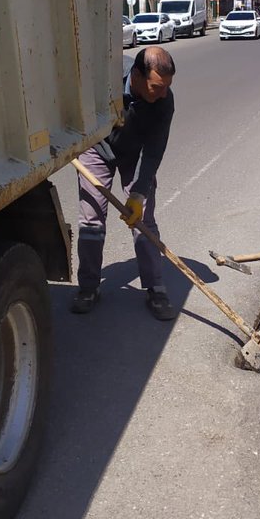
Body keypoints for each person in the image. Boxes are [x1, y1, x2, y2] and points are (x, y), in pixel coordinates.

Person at [72, 45, 177, 320]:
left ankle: (156, 288)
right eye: (157, 86)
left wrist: (139, 193)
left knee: (143, 221)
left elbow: (155, 149)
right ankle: (88, 287)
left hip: (135, 154)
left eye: (167, 86)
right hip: (97, 148)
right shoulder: (104, 80)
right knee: (91, 220)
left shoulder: (164, 101)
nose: (163, 92)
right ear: (137, 76)